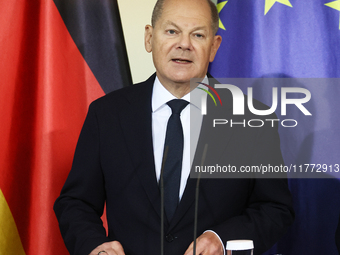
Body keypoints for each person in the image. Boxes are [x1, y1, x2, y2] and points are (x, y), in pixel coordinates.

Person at [54, 0, 294, 254]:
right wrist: (95, 246)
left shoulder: (251, 118)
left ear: (214, 47)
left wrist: (222, 240)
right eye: (171, 31)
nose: (184, 44)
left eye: (198, 35)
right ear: (149, 38)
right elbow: (76, 203)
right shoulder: (107, 114)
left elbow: (275, 208)